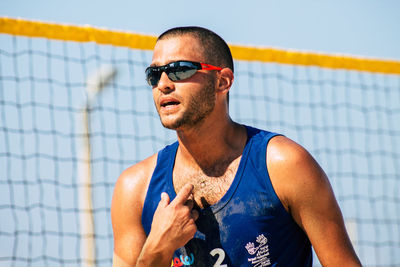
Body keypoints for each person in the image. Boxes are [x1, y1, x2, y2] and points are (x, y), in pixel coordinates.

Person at [111, 26, 362, 267]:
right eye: (154, 74)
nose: (163, 83)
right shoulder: (134, 188)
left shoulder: (283, 164)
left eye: (179, 70)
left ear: (222, 81)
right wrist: (157, 249)